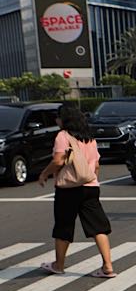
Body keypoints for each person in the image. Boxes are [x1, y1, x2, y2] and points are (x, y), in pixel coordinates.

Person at [37, 104, 116, 278]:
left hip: (68, 189)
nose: (56, 120)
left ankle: (59, 265)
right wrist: (92, 180)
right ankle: (108, 266)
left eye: (58, 117)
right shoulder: (90, 138)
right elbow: (96, 165)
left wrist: (44, 174)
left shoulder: (62, 136)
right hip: (90, 186)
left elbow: (58, 161)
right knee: (98, 227)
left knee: (63, 226)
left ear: (64, 119)